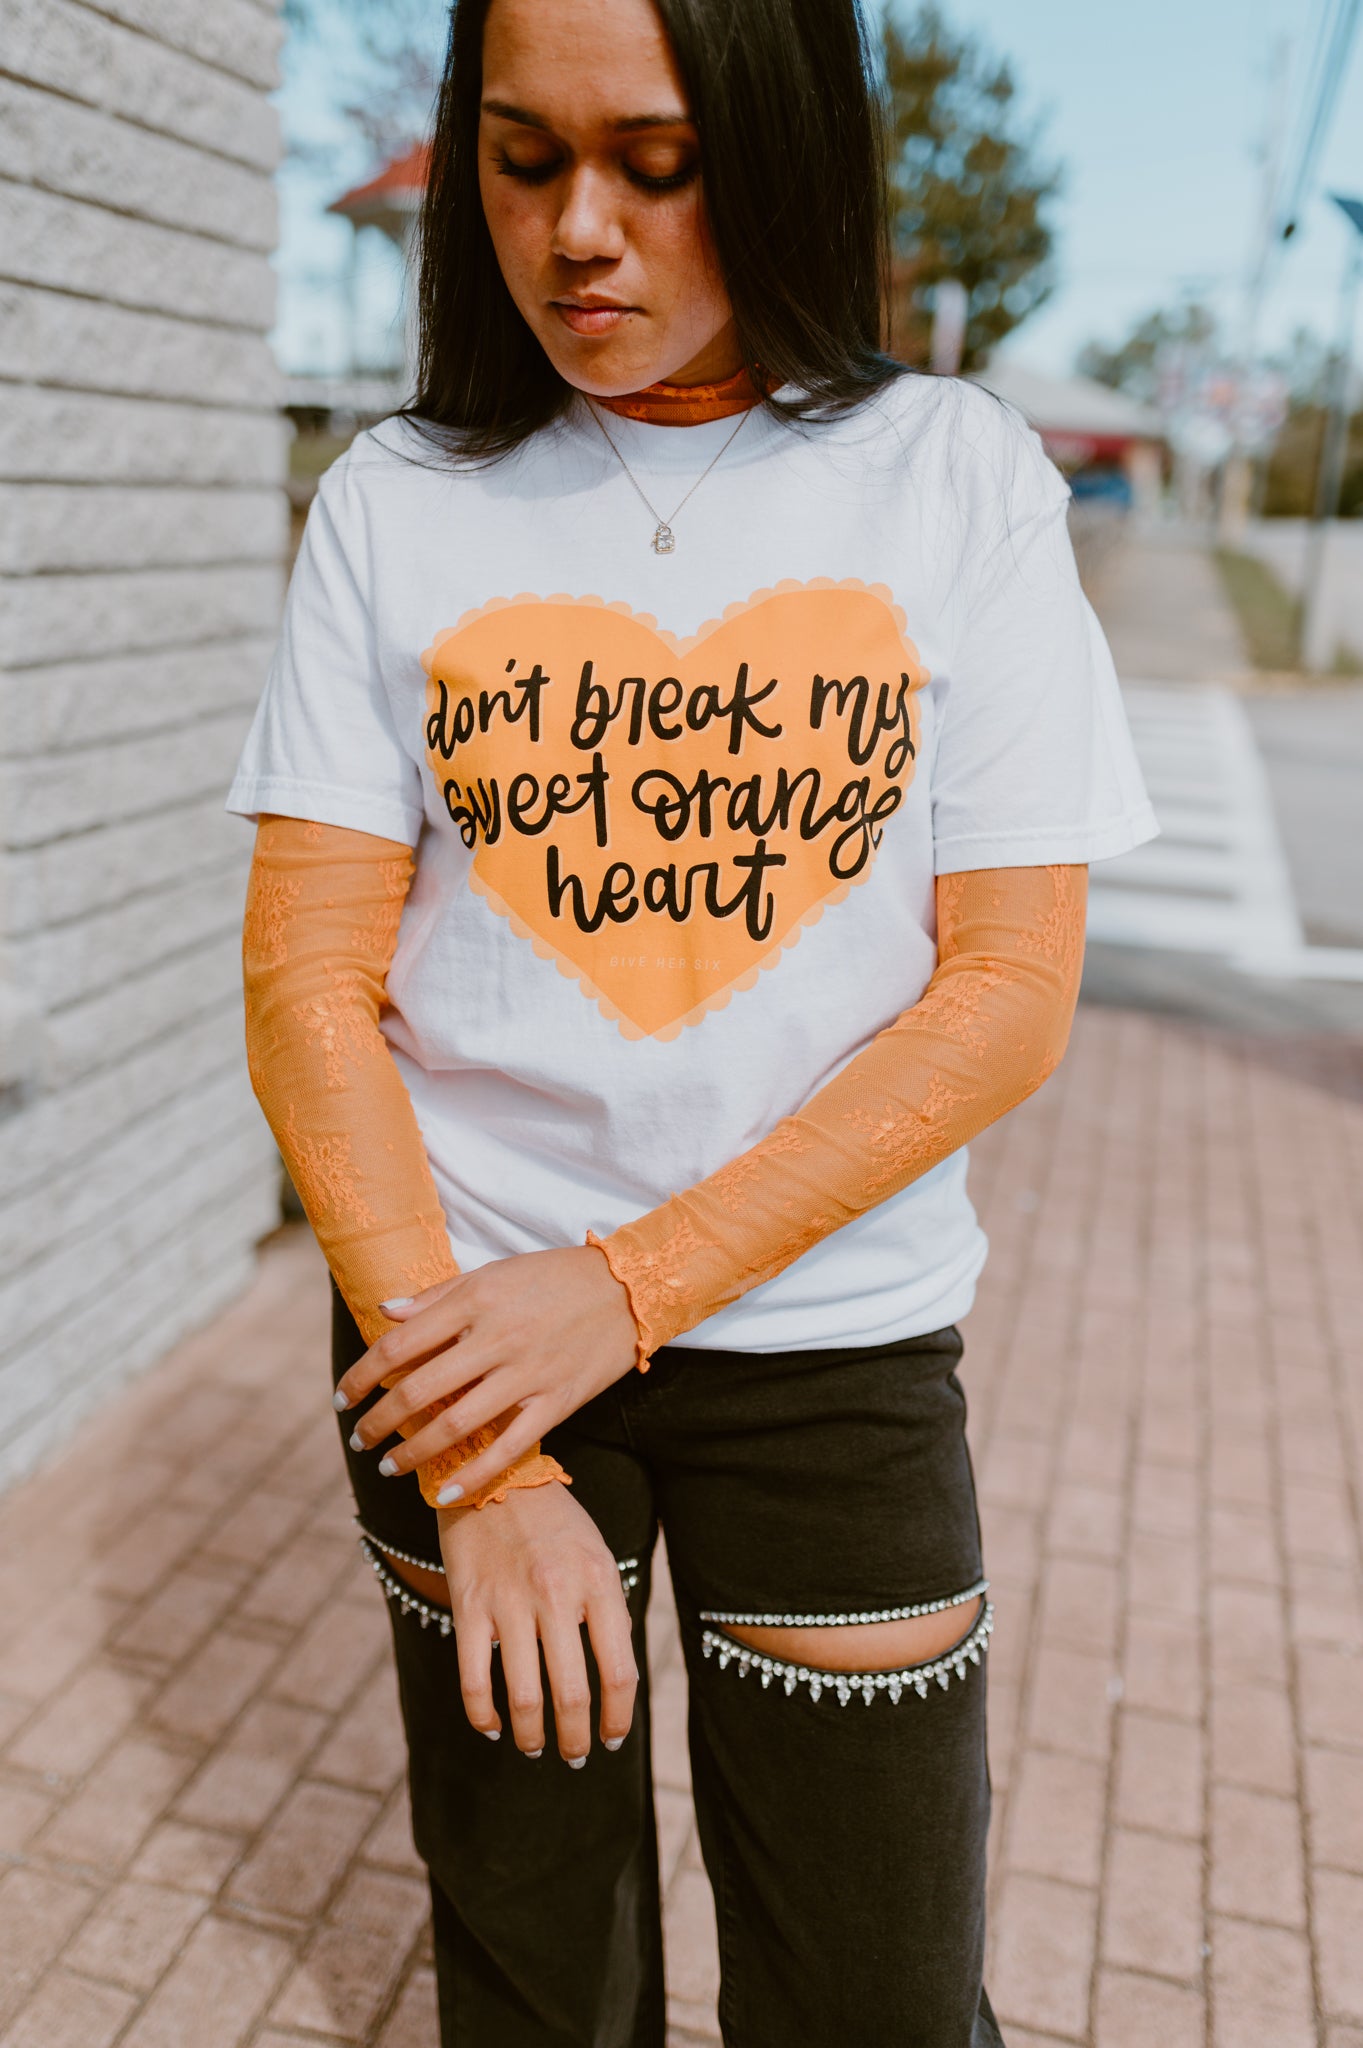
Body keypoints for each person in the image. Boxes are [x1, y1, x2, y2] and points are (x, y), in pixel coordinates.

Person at [230, 0, 1156, 2039]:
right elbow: (306, 983)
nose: (576, 232)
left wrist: (623, 1286)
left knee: (879, 1994)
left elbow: (1003, 993)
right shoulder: (395, 500)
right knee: (537, 1977)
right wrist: (484, 1450)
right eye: (517, 154)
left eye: (655, 163)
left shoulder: (950, 479)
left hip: (825, 1338)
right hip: (456, 1338)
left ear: (779, 141)